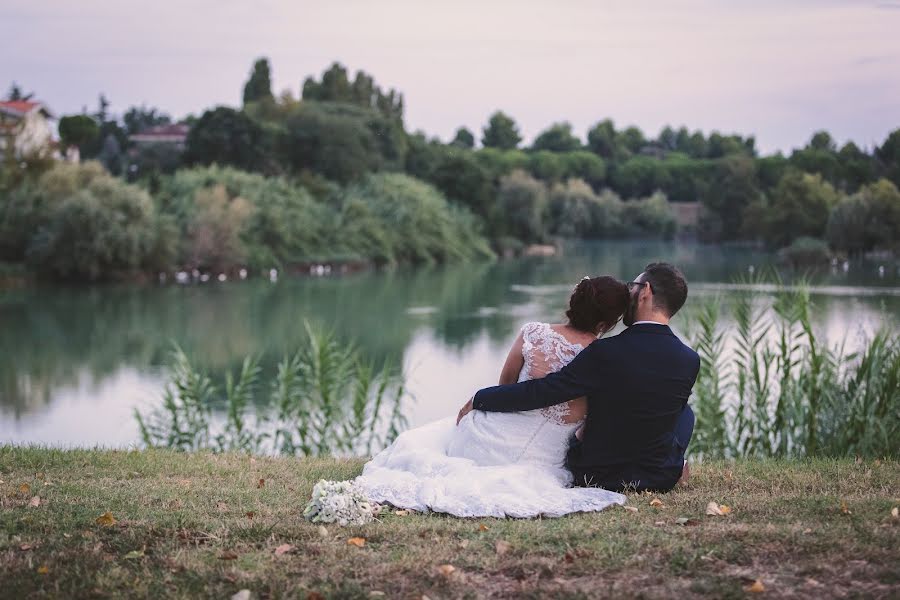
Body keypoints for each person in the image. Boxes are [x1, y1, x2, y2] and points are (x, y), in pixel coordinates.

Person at [354, 276, 630, 518]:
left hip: (485, 439)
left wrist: (480, 400)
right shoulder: (604, 357)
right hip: (543, 457)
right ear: (605, 323)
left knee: (433, 441)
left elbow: (506, 386)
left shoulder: (534, 332)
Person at [457, 263, 699, 493]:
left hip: (599, 475)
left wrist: (481, 397)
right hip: (660, 477)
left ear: (645, 292)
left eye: (632, 286)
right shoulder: (689, 360)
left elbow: (544, 391)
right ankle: (676, 464)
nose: (629, 294)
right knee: (684, 412)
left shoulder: (606, 351)